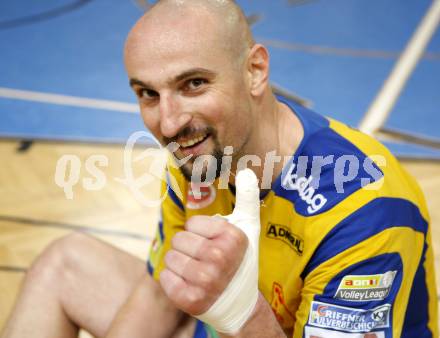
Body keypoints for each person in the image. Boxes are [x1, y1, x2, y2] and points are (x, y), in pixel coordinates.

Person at [1, 0, 438, 337]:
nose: (169, 122)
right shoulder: (199, 157)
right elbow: (161, 292)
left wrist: (242, 312)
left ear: (255, 71)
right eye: (148, 94)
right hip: (220, 326)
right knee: (65, 263)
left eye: (193, 84)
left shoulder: (367, 215)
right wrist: (223, 307)